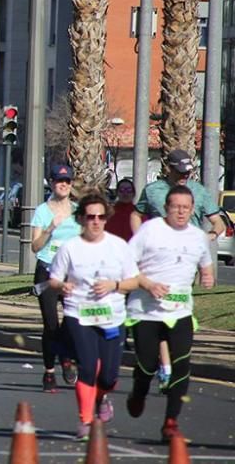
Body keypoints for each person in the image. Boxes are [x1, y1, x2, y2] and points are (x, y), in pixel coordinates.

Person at [125, 185, 214, 443]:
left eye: (186, 208)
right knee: (147, 364)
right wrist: (147, 283)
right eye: (176, 207)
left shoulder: (197, 236)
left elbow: (204, 264)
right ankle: (138, 392)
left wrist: (206, 275)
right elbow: (127, 263)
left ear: (192, 210)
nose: (181, 212)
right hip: (145, 311)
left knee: (182, 364)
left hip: (180, 311)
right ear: (166, 208)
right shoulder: (150, 230)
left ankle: (171, 422)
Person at [47, 193, 140, 440]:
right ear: (81, 220)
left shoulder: (119, 246)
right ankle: (85, 421)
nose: (96, 222)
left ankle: (102, 396)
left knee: (109, 376)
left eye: (100, 217)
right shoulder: (70, 247)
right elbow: (54, 278)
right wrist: (62, 286)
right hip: (80, 314)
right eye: (90, 217)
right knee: (87, 367)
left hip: (112, 316)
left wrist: (115, 285)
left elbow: (134, 280)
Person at [30, 164, 81, 392]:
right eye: (60, 181)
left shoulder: (79, 212)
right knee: (51, 325)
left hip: (72, 275)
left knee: (72, 322)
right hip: (47, 271)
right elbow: (35, 246)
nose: (64, 185)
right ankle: (49, 372)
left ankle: (67, 358)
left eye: (67, 181)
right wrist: (51, 228)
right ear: (51, 183)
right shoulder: (42, 210)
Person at [130, 149, 224, 239]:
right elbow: (135, 216)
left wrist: (212, 235)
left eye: (187, 172)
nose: (185, 175)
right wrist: (140, 238)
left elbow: (218, 222)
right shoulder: (151, 190)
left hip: (190, 248)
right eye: (180, 172)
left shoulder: (199, 190)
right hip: (161, 248)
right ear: (169, 168)